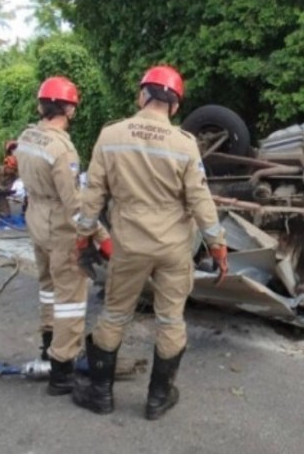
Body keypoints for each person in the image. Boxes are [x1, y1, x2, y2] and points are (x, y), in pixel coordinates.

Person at [71, 65, 229, 420]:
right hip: (174, 249)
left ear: (142, 95)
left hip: (129, 246)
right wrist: (217, 246)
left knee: (114, 314)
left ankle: (101, 395)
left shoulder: (111, 136)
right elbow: (201, 201)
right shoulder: (184, 144)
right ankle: (158, 399)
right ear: (174, 106)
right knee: (171, 320)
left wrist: (83, 238)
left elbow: (92, 196)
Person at [14, 76, 91, 396]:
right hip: (59, 228)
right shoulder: (62, 148)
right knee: (71, 298)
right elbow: (74, 205)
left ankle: (48, 347)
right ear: (68, 109)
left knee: (47, 289)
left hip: (36, 221)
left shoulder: (26, 136)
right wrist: (96, 234)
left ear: (41, 105)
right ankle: (62, 372)